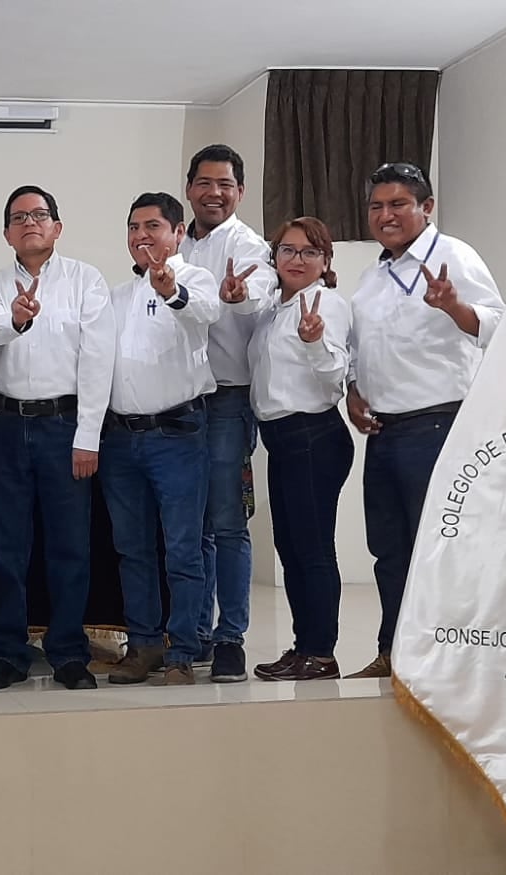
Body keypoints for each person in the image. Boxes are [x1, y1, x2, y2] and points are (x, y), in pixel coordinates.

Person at [345, 162, 504, 678]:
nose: (385, 215)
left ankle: (449, 663)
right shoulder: (374, 275)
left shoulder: (453, 256)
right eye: (377, 206)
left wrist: (455, 306)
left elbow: (502, 327)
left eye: (398, 204)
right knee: (388, 551)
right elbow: (361, 347)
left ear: (426, 208)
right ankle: (395, 653)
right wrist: (353, 390)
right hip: (384, 431)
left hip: (438, 426)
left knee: (440, 549)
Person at [101, 193, 261, 686]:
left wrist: (170, 289)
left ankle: (184, 650)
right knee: (132, 549)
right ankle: (144, 644)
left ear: (177, 234)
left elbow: (205, 314)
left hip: (177, 435)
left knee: (184, 548)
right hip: (121, 441)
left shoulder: (193, 278)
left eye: (153, 226)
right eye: (133, 227)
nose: (142, 235)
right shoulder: (115, 295)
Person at [0, 185, 114, 691]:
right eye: (18, 216)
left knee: (69, 546)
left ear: (56, 226)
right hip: (6, 425)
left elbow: (98, 361)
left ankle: (69, 653)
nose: (30, 222)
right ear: (7, 231)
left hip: (65, 425)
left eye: (40, 214)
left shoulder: (85, 281)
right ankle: (8, 653)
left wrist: (89, 436)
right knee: (5, 548)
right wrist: (15, 318)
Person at [177, 144, 276, 683]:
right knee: (189, 528)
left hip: (226, 400)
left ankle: (230, 637)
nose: (214, 193)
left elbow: (259, 294)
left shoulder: (249, 246)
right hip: (177, 402)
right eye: (205, 183)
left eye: (226, 185)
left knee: (226, 524)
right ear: (189, 187)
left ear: (239, 192)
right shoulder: (174, 241)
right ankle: (191, 633)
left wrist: (237, 295)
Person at [247, 218, 354, 681]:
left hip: (313, 435)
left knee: (312, 549)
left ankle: (322, 652)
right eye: (287, 251)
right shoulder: (275, 308)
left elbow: (335, 377)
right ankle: (303, 644)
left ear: (325, 262)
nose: (296, 259)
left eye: (309, 252)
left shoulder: (326, 303)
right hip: (282, 440)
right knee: (290, 547)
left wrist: (313, 343)